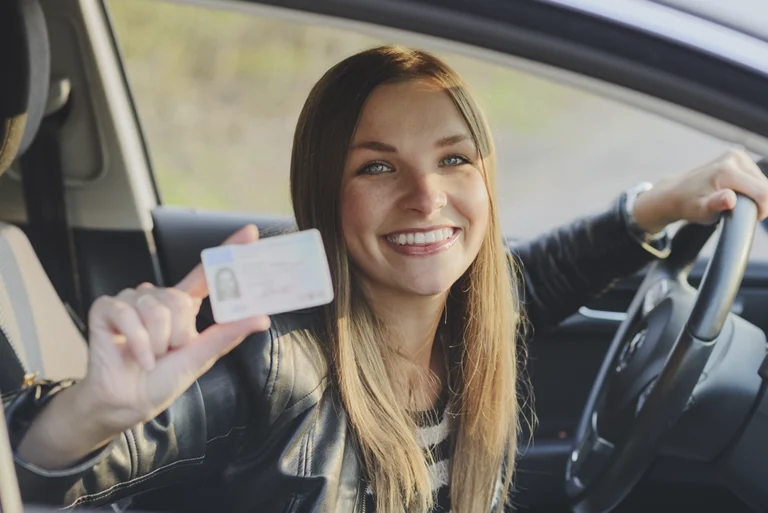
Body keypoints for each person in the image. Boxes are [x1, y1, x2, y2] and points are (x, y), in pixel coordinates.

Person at [5, 46, 768, 513]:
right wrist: (91, 414)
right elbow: (45, 476)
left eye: (453, 159)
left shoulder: (469, 322)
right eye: (378, 165)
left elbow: (540, 274)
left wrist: (660, 202)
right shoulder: (272, 360)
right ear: (324, 194)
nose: (427, 196)